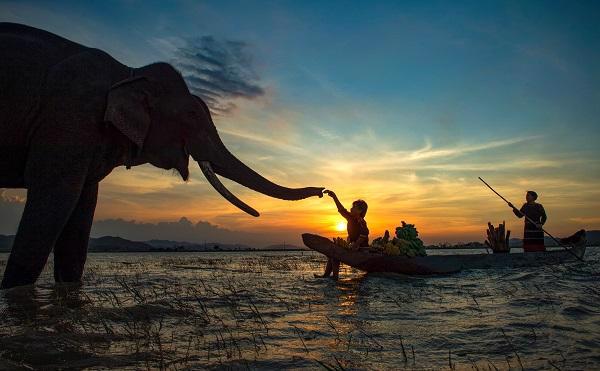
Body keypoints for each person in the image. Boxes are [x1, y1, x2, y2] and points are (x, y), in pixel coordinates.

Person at [316, 190, 369, 279]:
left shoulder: (361, 222)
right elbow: (341, 210)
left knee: (335, 254)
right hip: (353, 246)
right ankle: (327, 275)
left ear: (360, 211)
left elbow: (364, 235)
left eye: (354, 207)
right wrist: (334, 197)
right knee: (332, 254)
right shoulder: (350, 218)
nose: (351, 208)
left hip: (361, 249)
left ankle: (335, 277)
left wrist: (356, 244)